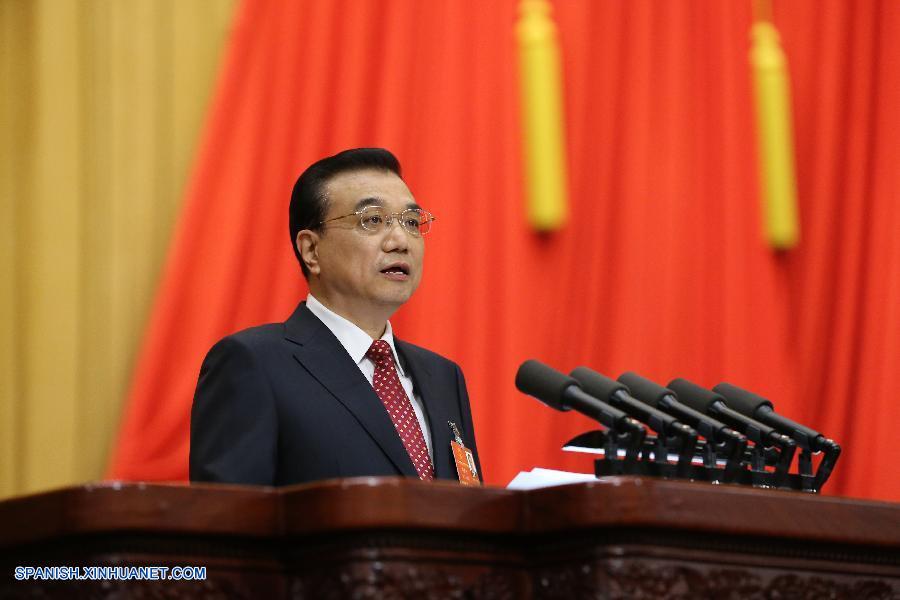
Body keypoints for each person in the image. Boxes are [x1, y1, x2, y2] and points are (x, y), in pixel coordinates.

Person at [189, 148, 481, 486]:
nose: (401, 241)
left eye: (412, 222)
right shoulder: (253, 364)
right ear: (312, 250)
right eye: (373, 220)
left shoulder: (444, 377)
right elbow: (228, 514)